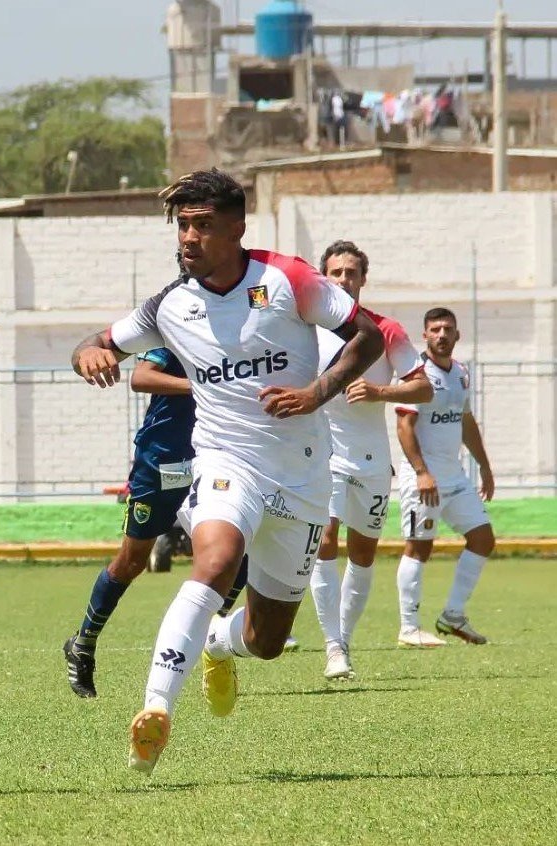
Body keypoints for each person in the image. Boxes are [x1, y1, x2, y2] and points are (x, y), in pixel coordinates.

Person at [72, 169, 382, 775]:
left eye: (202, 226)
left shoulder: (289, 279)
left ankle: (219, 641)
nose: (188, 237)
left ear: (237, 228)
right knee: (213, 560)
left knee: (266, 642)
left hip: (302, 475)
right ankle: (156, 710)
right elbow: (100, 341)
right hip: (224, 459)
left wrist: (317, 393)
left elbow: (365, 337)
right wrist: (90, 350)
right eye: (182, 225)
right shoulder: (170, 304)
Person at [61, 346, 252, 698]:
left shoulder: (239, 336)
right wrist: (200, 385)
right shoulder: (176, 329)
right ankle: (83, 643)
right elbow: (141, 377)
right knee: (132, 561)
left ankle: (213, 633)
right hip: (161, 461)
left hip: (215, 459)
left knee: (241, 548)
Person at [306, 241, 432, 677]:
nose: (343, 279)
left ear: (363, 279)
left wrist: (380, 391)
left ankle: (344, 641)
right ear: (325, 278)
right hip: (324, 456)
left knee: (362, 555)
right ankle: (331, 647)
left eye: (351, 273)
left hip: (372, 459)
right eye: (336, 272)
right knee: (323, 540)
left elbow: (423, 388)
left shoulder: (386, 329)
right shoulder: (307, 327)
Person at [394, 308, 496, 646]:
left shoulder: (461, 373)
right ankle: (409, 627)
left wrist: (484, 465)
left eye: (447, 329)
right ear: (424, 335)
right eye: (435, 329)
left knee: (483, 539)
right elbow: (404, 427)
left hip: (454, 478)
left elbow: (465, 422)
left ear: (457, 335)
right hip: (422, 479)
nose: (441, 334)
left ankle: (453, 615)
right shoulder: (416, 375)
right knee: (419, 548)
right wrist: (422, 472)